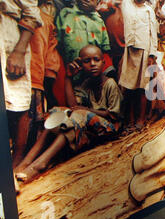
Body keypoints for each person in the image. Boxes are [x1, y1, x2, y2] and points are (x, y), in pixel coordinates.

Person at [14, 45, 123, 183]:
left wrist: (86, 111)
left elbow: (113, 115)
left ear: (103, 62)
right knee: (58, 111)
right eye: (87, 61)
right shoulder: (86, 84)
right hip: (88, 127)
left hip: (110, 128)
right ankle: (26, 162)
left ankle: (40, 164)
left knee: (80, 114)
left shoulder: (110, 84)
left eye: (96, 60)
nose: (92, 64)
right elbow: (72, 106)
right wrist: (68, 77)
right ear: (80, 64)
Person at [10, 0, 62, 168]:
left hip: (36, 78)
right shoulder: (15, 8)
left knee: (30, 120)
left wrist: (50, 70)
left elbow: (51, 46)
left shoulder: (47, 20)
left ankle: (20, 159)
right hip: (15, 74)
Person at [0, 0, 43, 169]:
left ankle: (14, 166)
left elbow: (30, 13)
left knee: (16, 102)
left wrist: (18, 51)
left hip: (10, 36)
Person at [54, 0, 113, 105]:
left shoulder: (98, 21)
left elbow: (104, 49)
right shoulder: (65, 15)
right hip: (72, 71)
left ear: (97, 1)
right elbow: (57, 44)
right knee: (70, 102)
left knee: (92, 102)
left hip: (93, 75)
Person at [119, 0, 158, 131]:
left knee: (142, 88)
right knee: (128, 87)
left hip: (144, 51)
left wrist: (152, 55)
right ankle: (129, 119)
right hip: (130, 51)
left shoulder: (149, 11)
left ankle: (140, 119)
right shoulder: (126, 3)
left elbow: (153, 34)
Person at [97, 0, 130, 76]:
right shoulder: (109, 3)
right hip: (109, 49)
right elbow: (98, 9)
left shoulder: (129, 7)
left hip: (124, 52)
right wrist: (112, 4)